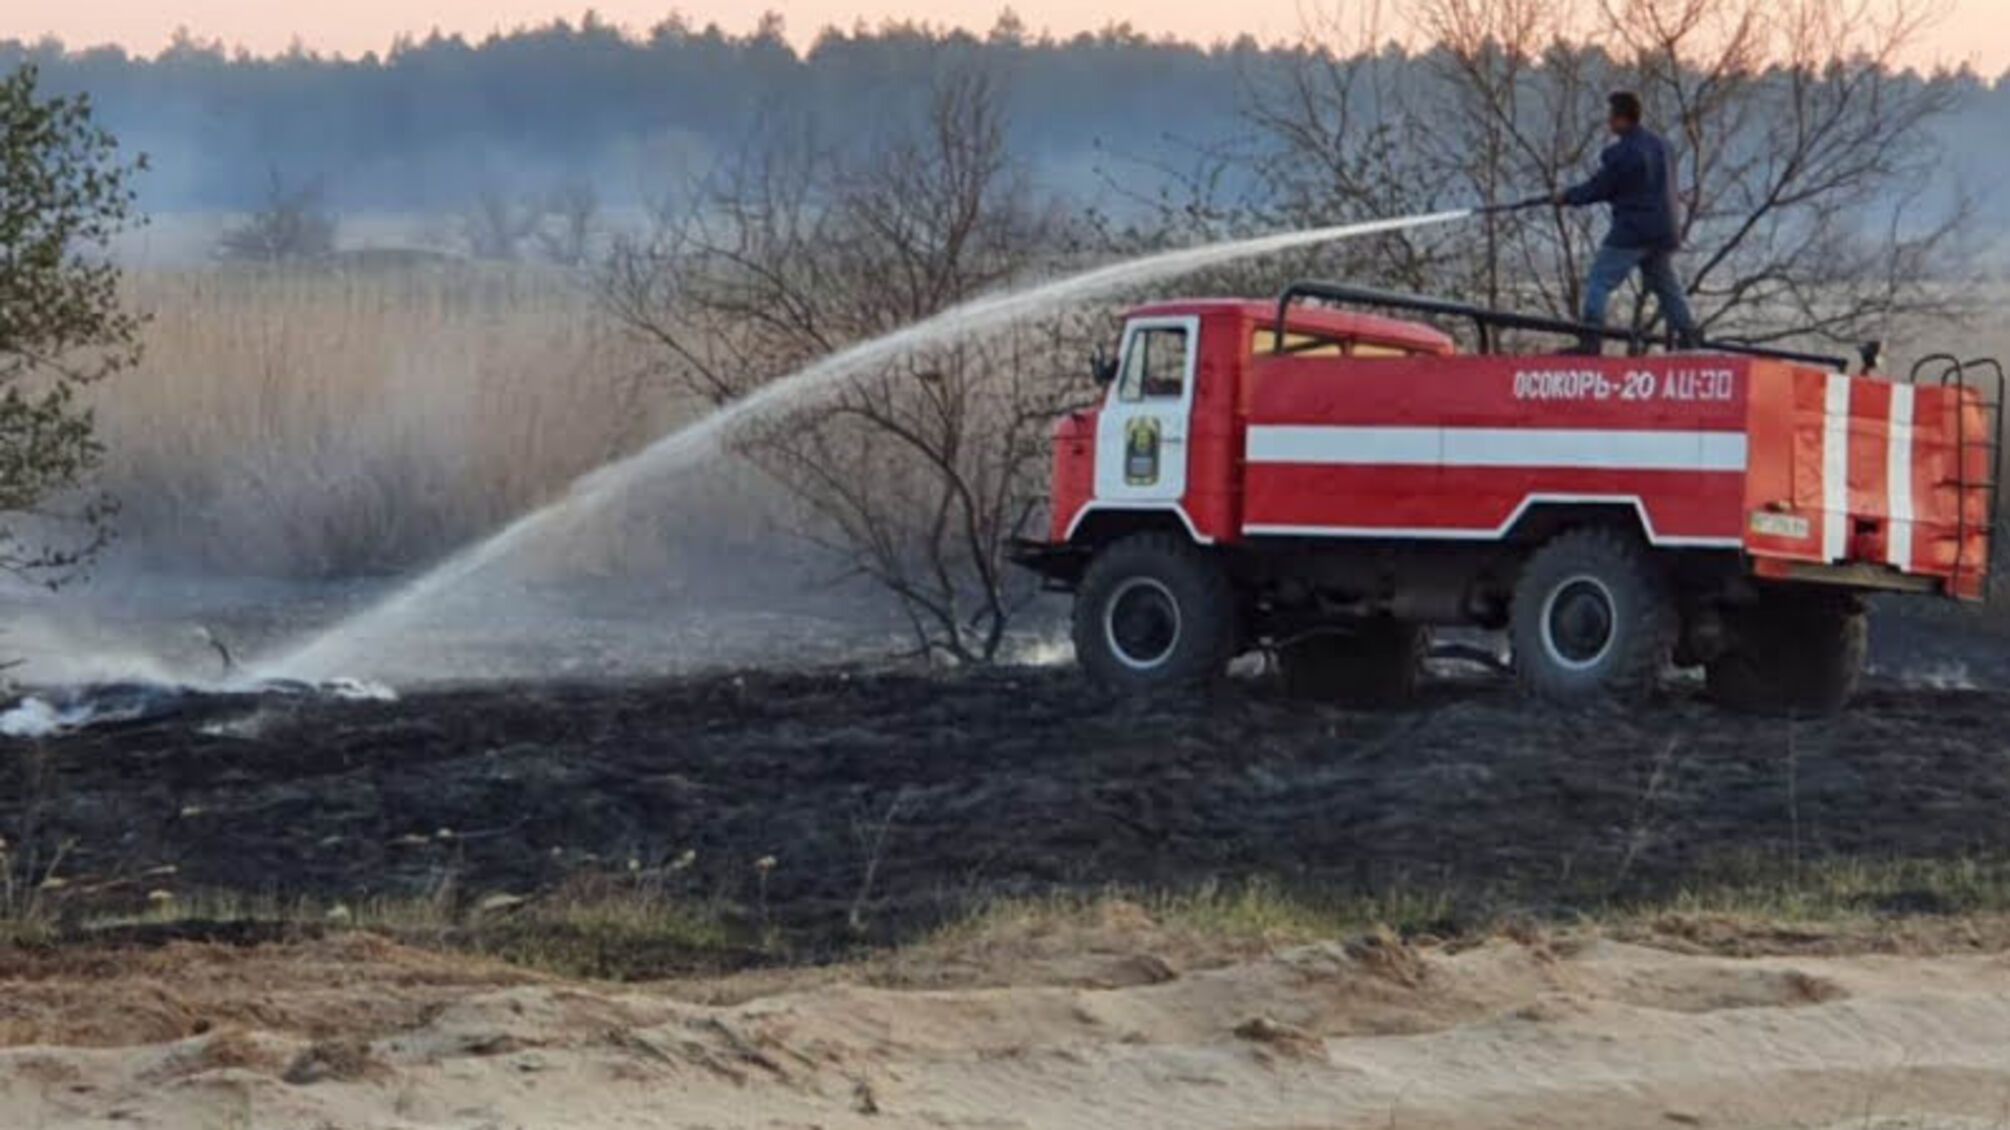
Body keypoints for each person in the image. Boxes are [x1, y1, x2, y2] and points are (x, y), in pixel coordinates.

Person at [1553, 91, 1701, 354]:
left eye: (1611, 116)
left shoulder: (1621, 153)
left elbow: (1600, 187)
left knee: (1600, 280)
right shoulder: (1662, 146)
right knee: (1666, 285)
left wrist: (1567, 197)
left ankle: (1591, 338)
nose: (1608, 122)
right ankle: (1689, 336)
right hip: (1664, 230)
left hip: (1633, 231)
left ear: (1622, 119)